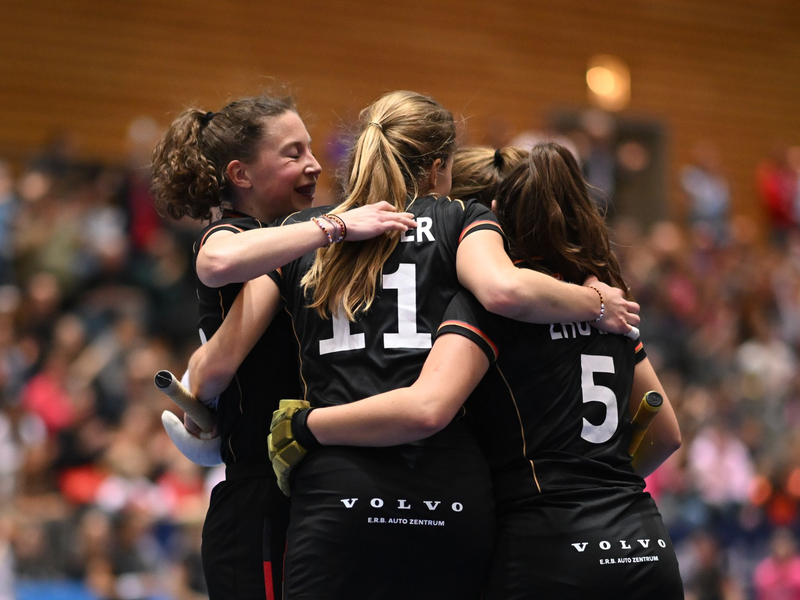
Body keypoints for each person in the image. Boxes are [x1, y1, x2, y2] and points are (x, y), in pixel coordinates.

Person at [187, 91, 640, 600]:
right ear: (439, 167)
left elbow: (218, 355)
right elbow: (505, 289)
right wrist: (594, 302)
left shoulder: (301, 234)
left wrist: (201, 395)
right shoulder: (459, 217)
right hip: (449, 489)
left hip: (338, 493)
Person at [271, 142, 683, 598]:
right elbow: (666, 434)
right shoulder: (610, 304)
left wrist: (305, 424)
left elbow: (429, 405)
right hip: (644, 542)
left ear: (493, 220)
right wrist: (603, 488)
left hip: (548, 543)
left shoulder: (497, 306)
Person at [150, 94, 417, 600]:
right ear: (241, 174)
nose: (314, 164)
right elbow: (216, 259)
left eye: (310, 148)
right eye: (293, 154)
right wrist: (335, 225)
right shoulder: (236, 232)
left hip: (303, 488)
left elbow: (210, 365)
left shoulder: (286, 241)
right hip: (258, 499)